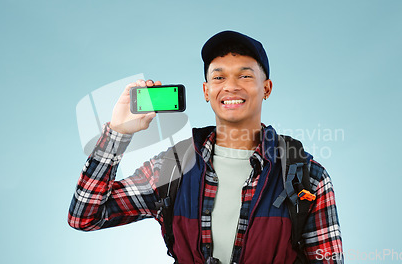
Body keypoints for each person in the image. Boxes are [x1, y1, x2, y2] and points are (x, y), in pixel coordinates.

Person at [68, 30, 343, 264]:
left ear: (267, 88)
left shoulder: (307, 177)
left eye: (245, 76)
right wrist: (118, 132)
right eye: (219, 78)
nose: (231, 87)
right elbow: (86, 216)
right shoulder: (172, 167)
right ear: (206, 91)